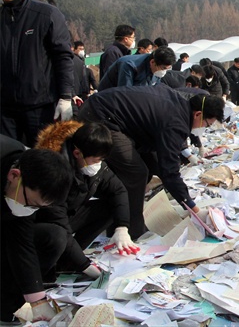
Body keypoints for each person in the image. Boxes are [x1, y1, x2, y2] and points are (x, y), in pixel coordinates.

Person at [78, 84, 225, 238]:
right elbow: (169, 172)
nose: (204, 129)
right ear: (198, 114)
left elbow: (162, 161)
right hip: (102, 117)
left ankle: (119, 214)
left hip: (114, 115)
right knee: (136, 173)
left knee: (150, 165)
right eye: (206, 125)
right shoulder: (176, 121)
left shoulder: (182, 105)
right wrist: (193, 208)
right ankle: (130, 231)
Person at [34, 121, 138, 274]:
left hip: (69, 215)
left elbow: (118, 190)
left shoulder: (92, 162)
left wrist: (122, 227)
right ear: (77, 153)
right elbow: (59, 223)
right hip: (45, 226)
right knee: (58, 236)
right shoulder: (55, 174)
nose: (99, 165)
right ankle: (52, 269)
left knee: (110, 207)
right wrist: (85, 266)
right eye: (96, 160)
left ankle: (71, 258)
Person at [0, 0, 74, 147]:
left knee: (45, 160)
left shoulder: (45, 14)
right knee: (9, 162)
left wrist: (65, 96)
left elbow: (63, 57)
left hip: (40, 106)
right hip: (5, 109)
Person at [1, 135, 72, 323]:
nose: (30, 210)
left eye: (37, 207)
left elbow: (22, 245)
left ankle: (6, 308)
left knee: (52, 236)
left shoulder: (27, 179)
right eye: (32, 204)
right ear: (14, 175)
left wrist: (37, 301)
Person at [98, 46, 176, 91]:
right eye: (163, 68)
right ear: (152, 62)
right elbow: (125, 92)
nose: (164, 71)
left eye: (167, 68)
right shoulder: (129, 65)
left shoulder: (155, 69)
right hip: (109, 99)